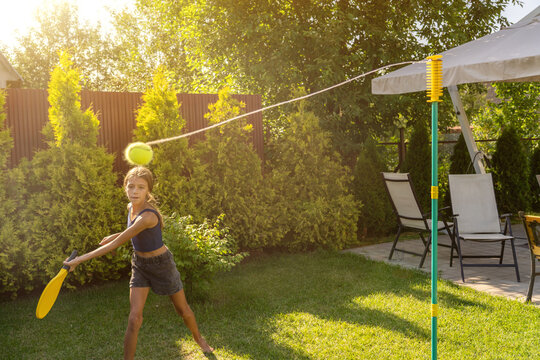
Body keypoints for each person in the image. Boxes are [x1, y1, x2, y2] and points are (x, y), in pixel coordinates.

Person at [64, 166, 213, 359]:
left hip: (163, 266)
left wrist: (78, 260)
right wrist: (116, 234)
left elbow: (121, 242)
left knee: (182, 310)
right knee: (134, 319)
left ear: (148, 190)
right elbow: (132, 232)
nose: (134, 191)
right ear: (125, 187)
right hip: (140, 266)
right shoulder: (130, 208)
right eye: (131, 186)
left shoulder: (148, 216)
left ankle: (199, 338)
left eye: (141, 187)